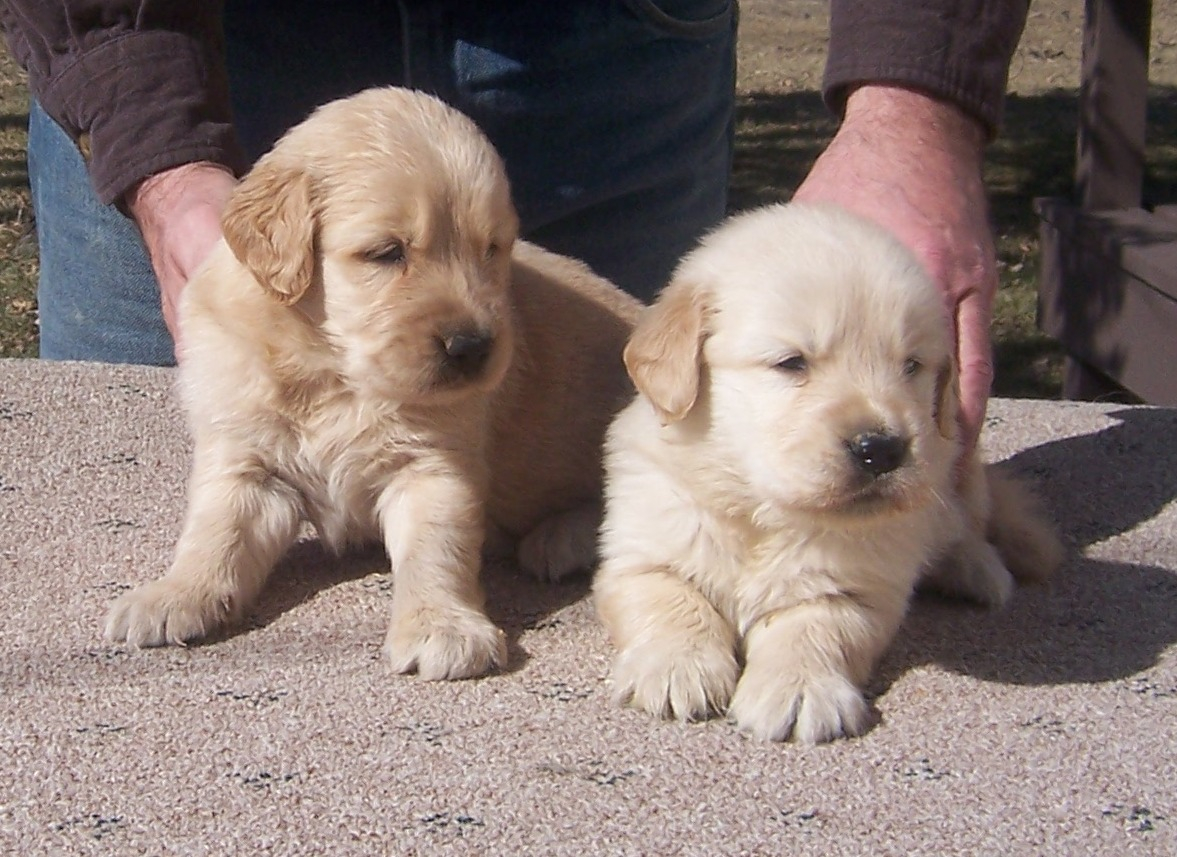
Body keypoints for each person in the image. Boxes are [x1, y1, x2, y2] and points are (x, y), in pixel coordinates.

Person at [0, 0, 1028, 451]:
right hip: (189, 42)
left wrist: (914, 104)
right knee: (164, 560)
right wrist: (159, 148)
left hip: (607, 43)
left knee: (657, 514)